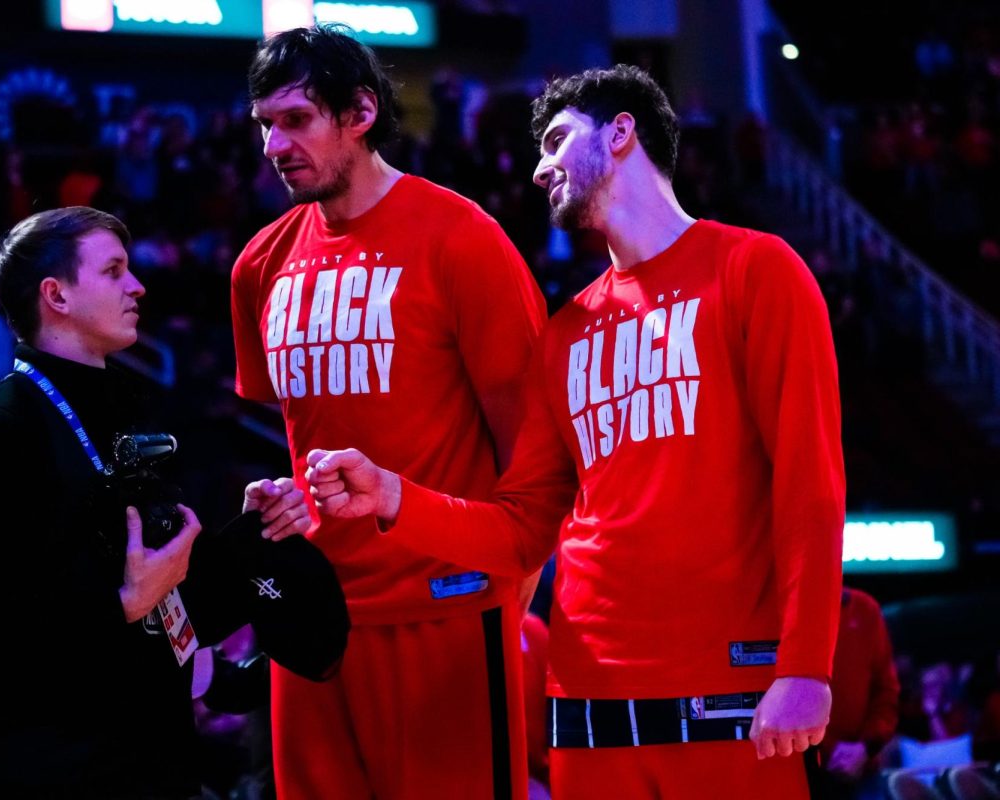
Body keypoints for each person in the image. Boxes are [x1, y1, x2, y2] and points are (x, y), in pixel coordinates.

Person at [306, 64, 846, 800]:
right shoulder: (566, 331)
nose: (537, 169)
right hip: (585, 702)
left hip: (734, 690)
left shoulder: (755, 269)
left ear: (622, 133)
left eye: (557, 141)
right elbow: (524, 528)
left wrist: (807, 665)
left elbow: (809, 484)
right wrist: (392, 496)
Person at [231, 24, 547, 799]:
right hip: (313, 622)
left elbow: (538, 464)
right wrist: (285, 495)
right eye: (264, 123)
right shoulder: (258, 265)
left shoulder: (462, 239)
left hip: (445, 612)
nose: (275, 143)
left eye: (296, 119)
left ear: (362, 111)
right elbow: (317, 431)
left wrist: (505, 603)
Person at [0, 206, 305, 798]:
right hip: (51, 774)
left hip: (150, 758)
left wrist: (254, 533)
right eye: (113, 271)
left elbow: (164, 598)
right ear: (56, 294)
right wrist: (127, 602)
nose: (137, 285)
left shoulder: (122, 414)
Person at [812, 587, 900, 799]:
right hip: (802, 765)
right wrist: (830, 749)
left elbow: (886, 690)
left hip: (863, 765)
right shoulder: (782, 608)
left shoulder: (865, 609)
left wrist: (865, 746)